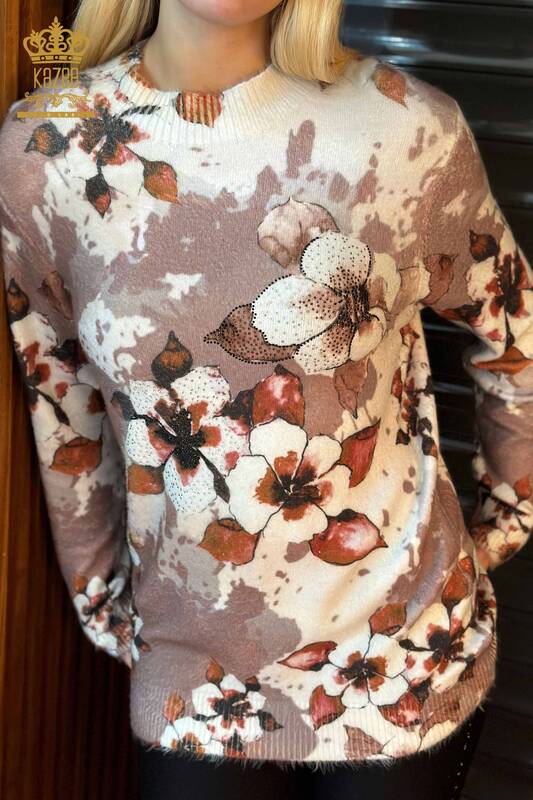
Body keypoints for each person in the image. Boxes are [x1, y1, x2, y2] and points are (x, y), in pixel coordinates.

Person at [0, 0, 531, 798]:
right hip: (191, 673)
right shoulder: (46, 149)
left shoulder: (405, 130)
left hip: (402, 658)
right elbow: (57, 385)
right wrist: (102, 593)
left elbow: (515, 330)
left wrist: (502, 524)